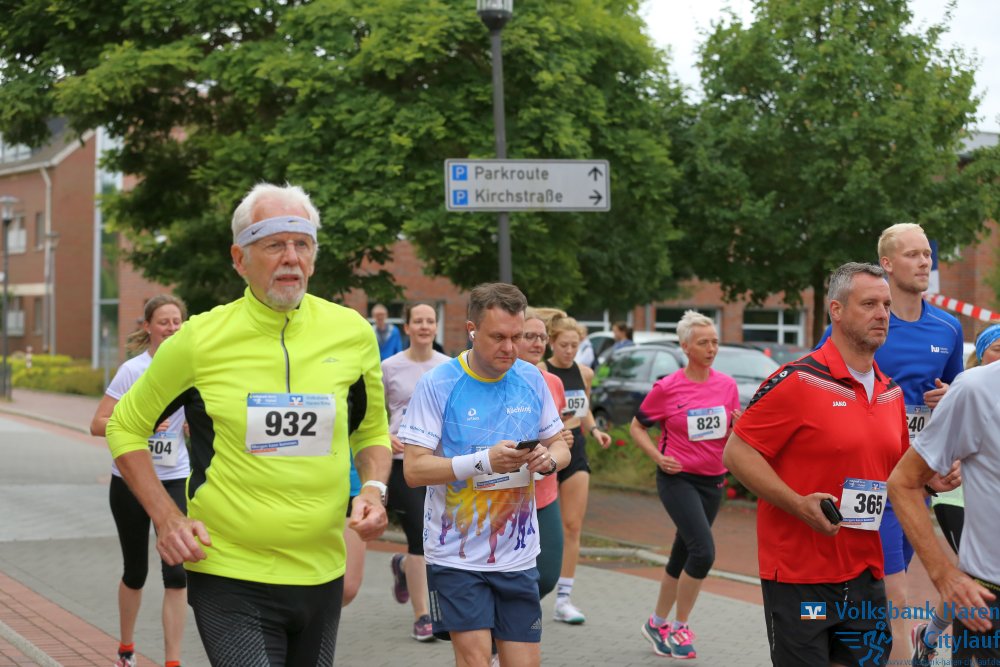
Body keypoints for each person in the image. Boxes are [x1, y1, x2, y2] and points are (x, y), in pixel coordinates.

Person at [105, 183, 392, 666]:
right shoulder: (200, 339)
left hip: (322, 569)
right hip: (229, 569)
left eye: (302, 244)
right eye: (274, 244)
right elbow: (124, 427)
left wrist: (374, 490)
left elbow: (371, 431)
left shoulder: (352, 334)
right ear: (240, 258)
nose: (291, 258)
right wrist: (167, 517)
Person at [723, 262, 912, 665]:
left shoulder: (891, 393)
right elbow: (737, 452)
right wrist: (797, 504)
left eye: (886, 305)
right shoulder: (799, 380)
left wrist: (933, 480)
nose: (882, 314)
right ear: (836, 310)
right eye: (869, 304)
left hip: (865, 573)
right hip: (801, 579)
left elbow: (897, 473)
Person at [399, 282, 571, 667]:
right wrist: (484, 462)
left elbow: (560, 446)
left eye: (517, 336)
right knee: (476, 660)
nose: (510, 347)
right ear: (472, 330)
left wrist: (548, 460)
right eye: (498, 337)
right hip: (457, 554)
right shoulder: (438, 383)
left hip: (517, 555)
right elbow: (413, 469)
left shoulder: (531, 378)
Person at [816, 223, 964, 662]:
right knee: (888, 595)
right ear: (886, 263)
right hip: (863, 479)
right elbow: (819, 383)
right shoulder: (860, 324)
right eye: (912, 254)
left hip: (913, 480)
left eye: (927, 254)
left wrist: (949, 398)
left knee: (882, 594)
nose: (924, 262)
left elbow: (958, 400)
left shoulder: (947, 328)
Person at [888, 328, 1000, 667]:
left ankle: (930, 633)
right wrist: (942, 575)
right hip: (989, 599)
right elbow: (904, 482)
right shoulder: (975, 389)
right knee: (965, 570)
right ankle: (930, 635)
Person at [633, 310, 741, 660]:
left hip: (713, 481)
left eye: (715, 342)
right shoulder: (667, 388)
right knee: (703, 552)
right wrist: (657, 457)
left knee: (683, 552)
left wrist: (739, 426)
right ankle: (680, 627)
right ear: (685, 347)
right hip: (677, 478)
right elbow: (637, 426)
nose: (711, 349)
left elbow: (730, 429)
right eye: (703, 343)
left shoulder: (727, 385)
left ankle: (656, 622)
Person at [90, 295, 189, 667]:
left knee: (177, 574)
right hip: (131, 479)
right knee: (136, 571)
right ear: (148, 327)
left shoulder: (190, 370)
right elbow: (97, 423)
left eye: (177, 321)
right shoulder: (133, 370)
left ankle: (172, 661)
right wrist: (138, 425)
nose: (171, 328)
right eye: (163, 321)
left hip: (175, 478)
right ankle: (126, 648)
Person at [381, 302, 450, 641]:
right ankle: (424, 616)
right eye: (418, 321)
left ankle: (404, 566)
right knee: (420, 536)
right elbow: (373, 414)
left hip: (439, 462)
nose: (424, 326)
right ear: (407, 327)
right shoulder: (389, 367)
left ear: (436, 327)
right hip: (403, 462)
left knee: (439, 535)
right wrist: (385, 435)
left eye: (430, 321)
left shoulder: (449, 366)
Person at [544, 312, 612, 624]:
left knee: (572, 526)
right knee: (537, 523)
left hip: (576, 448)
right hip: (547, 449)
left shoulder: (584, 373)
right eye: (564, 345)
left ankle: (564, 599)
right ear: (552, 343)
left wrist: (595, 430)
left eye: (575, 345)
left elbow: (583, 408)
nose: (570, 351)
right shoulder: (541, 371)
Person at [515, 308, 575, 600]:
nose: (538, 343)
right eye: (530, 336)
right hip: (505, 492)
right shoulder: (495, 380)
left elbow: (556, 433)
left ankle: (513, 614)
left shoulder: (553, 382)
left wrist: (562, 441)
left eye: (542, 337)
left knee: (547, 576)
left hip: (544, 490)